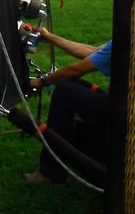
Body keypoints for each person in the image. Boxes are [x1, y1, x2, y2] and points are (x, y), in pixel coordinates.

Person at [24, 26, 112, 185]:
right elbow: (93, 51)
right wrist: (50, 37)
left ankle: (50, 172)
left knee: (64, 91)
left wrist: (42, 82)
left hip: (125, 114)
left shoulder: (131, 38)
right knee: (73, 89)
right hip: (127, 109)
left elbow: (77, 69)